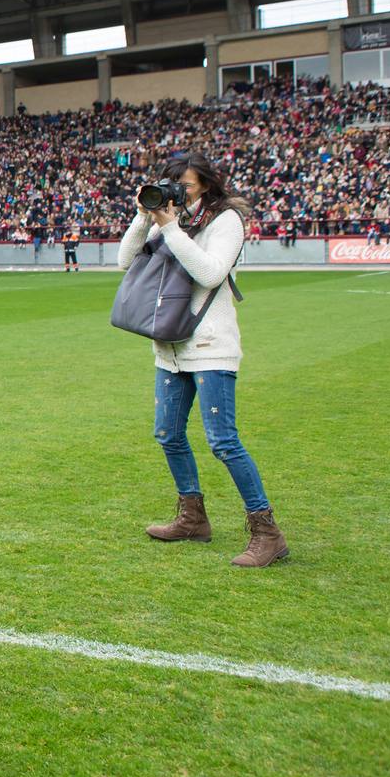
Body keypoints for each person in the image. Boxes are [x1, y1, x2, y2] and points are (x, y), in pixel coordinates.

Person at [117, 152, 288, 568]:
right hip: (171, 349)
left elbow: (209, 273)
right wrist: (144, 217)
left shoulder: (225, 220)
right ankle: (192, 518)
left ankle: (267, 532)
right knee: (168, 435)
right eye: (172, 183)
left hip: (211, 346)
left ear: (206, 186)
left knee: (223, 441)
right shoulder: (170, 222)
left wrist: (170, 226)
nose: (178, 192)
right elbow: (125, 264)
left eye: (186, 186)